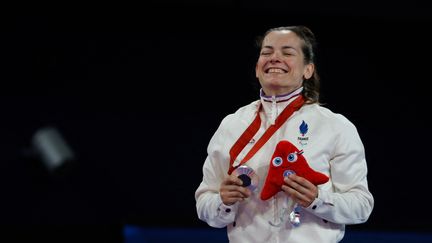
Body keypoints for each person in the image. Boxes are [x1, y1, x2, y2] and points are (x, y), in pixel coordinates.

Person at [195, 25, 374, 243]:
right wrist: (222, 201)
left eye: (287, 53)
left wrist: (317, 199)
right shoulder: (232, 124)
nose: (275, 58)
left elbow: (361, 206)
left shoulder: (335, 126)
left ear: (308, 69)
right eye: (266, 52)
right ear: (257, 68)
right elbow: (204, 203)